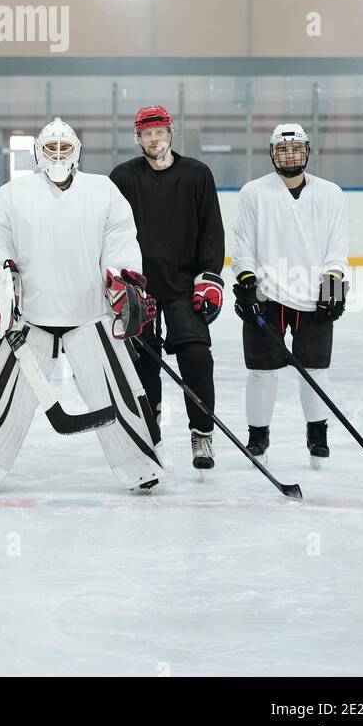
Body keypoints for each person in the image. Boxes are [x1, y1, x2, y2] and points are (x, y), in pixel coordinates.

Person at [0, 117, 163, 495]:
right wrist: (2, 279)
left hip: (90, 314)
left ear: (76, 152)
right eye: (51, 149)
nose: (58, 155)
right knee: (4, 395)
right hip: (31, 318)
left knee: (119, 390)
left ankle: (141, 465)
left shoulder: (103, 191)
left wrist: (122, 279)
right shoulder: (14, 193)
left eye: (65, 148)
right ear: (38, 153)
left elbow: (122, 239)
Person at [110, 105, 225, 471]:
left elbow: (211, 230)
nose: (154, 139)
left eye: (159, 131)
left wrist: (209, 278)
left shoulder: (197, 175)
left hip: (183, 286)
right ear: (138, 138)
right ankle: (149, 431)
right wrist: (115, 278)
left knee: (196, 357)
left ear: (171, 133)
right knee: (143, 363)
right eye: (147, 133)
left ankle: (202, 434)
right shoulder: (123, 177)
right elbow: (109, 232)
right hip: (138, 288)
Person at [231, 123, 349, 466]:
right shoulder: (254, 192)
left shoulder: (330, 194)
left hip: (313, 297)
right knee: (261, 371)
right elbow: (243, 246)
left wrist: (334, 286)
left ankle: (317, 436)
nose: (290, 155)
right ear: (272, 154)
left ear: (307, 151)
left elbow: (337, 248)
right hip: (266, 297)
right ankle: (258, 438)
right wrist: (247, 284)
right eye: (282, 150)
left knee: (315, 370)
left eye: (296, 148)